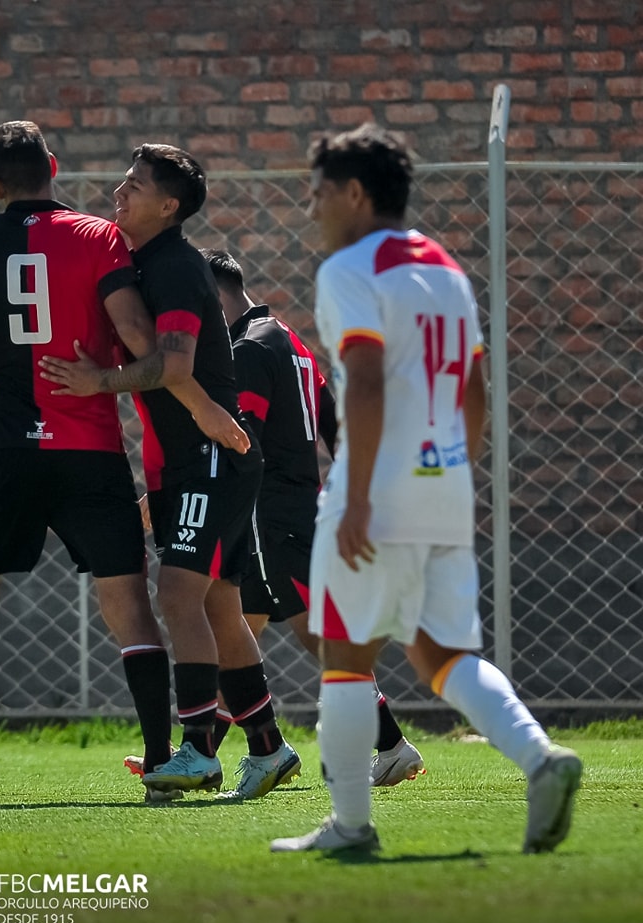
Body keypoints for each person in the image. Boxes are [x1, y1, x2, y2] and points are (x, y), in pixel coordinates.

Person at [271, 123, 582, 854]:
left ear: (354, 194)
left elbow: (369, 383)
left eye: (317, 193)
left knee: (344, 659)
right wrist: (451, 472)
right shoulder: (446, 269)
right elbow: (474, 388)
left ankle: (350, 826)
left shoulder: (349, 269)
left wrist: (361, 498)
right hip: (443, 486)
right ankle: (541, 757)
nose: (311, 209)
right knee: (443, 656)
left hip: (375, 490)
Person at [0, 120, 241, 806]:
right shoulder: (100, 237)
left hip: (7, 450)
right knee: (128, 607)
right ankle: (161, 760)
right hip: (89, 449)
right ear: (53, 166)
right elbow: (136, 338)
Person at [39, 143, 300, 800]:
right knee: (215, 603)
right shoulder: (141, 259)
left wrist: (99, 381)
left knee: (179, 597)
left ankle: (194, 751)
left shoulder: (177, 267)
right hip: (192, 463)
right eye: (122, 181)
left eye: (135, 185)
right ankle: (267, 748)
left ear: (169, 206)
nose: (119, 193)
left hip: (210, 461)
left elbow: (175, 367)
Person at [201, 248, 425, 788]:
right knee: (236, 632)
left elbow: (241, 442)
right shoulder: (291, 341)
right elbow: (333, 423)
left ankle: (391, 744)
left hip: (272, 515)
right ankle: (201, 750)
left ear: (213, 296)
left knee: (316, 637)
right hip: (296, 507)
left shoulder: (248, 349)